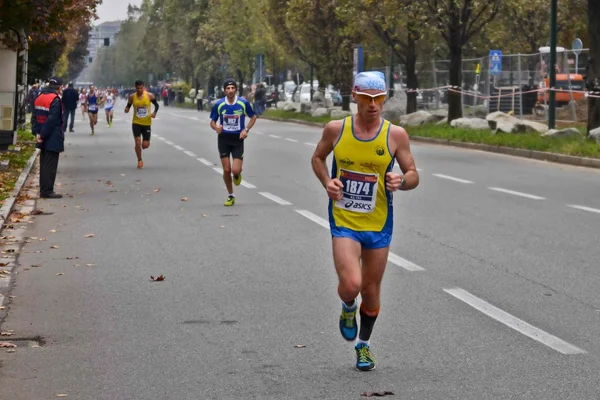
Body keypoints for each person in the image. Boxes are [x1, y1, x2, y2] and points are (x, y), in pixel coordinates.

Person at [310, 71, 419, 371]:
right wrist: (327, 183)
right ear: (355, 96)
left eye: (379, 98)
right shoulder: (336, 129)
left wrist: (402, 180)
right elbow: (318, 158)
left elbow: (413, 174)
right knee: (352, 284)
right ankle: (347, 307)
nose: (373, 105)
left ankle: (364, 345)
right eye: (367, 98)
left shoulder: (395, 135)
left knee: (370, 291)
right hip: (345, 219)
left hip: (379, 223)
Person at [209, 79, 257, 206]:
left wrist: (246, 130)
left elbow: (253, 117)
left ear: (235, 89)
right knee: (226, 170)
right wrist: (216, 127)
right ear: (224, 90)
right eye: (227, 88)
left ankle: (237, 175)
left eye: (232, 88)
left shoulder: (243, 103)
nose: (230, 90)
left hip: (238, 140)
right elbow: (212, 122)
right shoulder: (219, 104)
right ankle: (231, 195)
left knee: (235, 170)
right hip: (223, 139)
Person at [31, 77, 66, 199]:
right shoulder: (55, 100)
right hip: (52, 136)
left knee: (44, 164)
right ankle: (47, 191)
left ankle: (44, 189)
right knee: (50, 165)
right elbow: (52, 120)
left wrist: (37, 134)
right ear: (59, 87)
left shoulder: (39, 97)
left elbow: (34, 117)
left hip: (42, 135)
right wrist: (43, 135)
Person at [124, 79, 159, 169]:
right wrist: (126, 109)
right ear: (135, 88)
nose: (140, 90)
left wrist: (154, 113)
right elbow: (128, 106)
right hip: (136, 123)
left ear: (143, 87)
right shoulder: (132, 97)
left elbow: (157, 105)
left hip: (146, 123)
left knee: (145, 145)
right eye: (138, 88)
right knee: (137, 142)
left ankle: (141, 147)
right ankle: (139, 160)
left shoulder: (149, 96)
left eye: (141, 88)